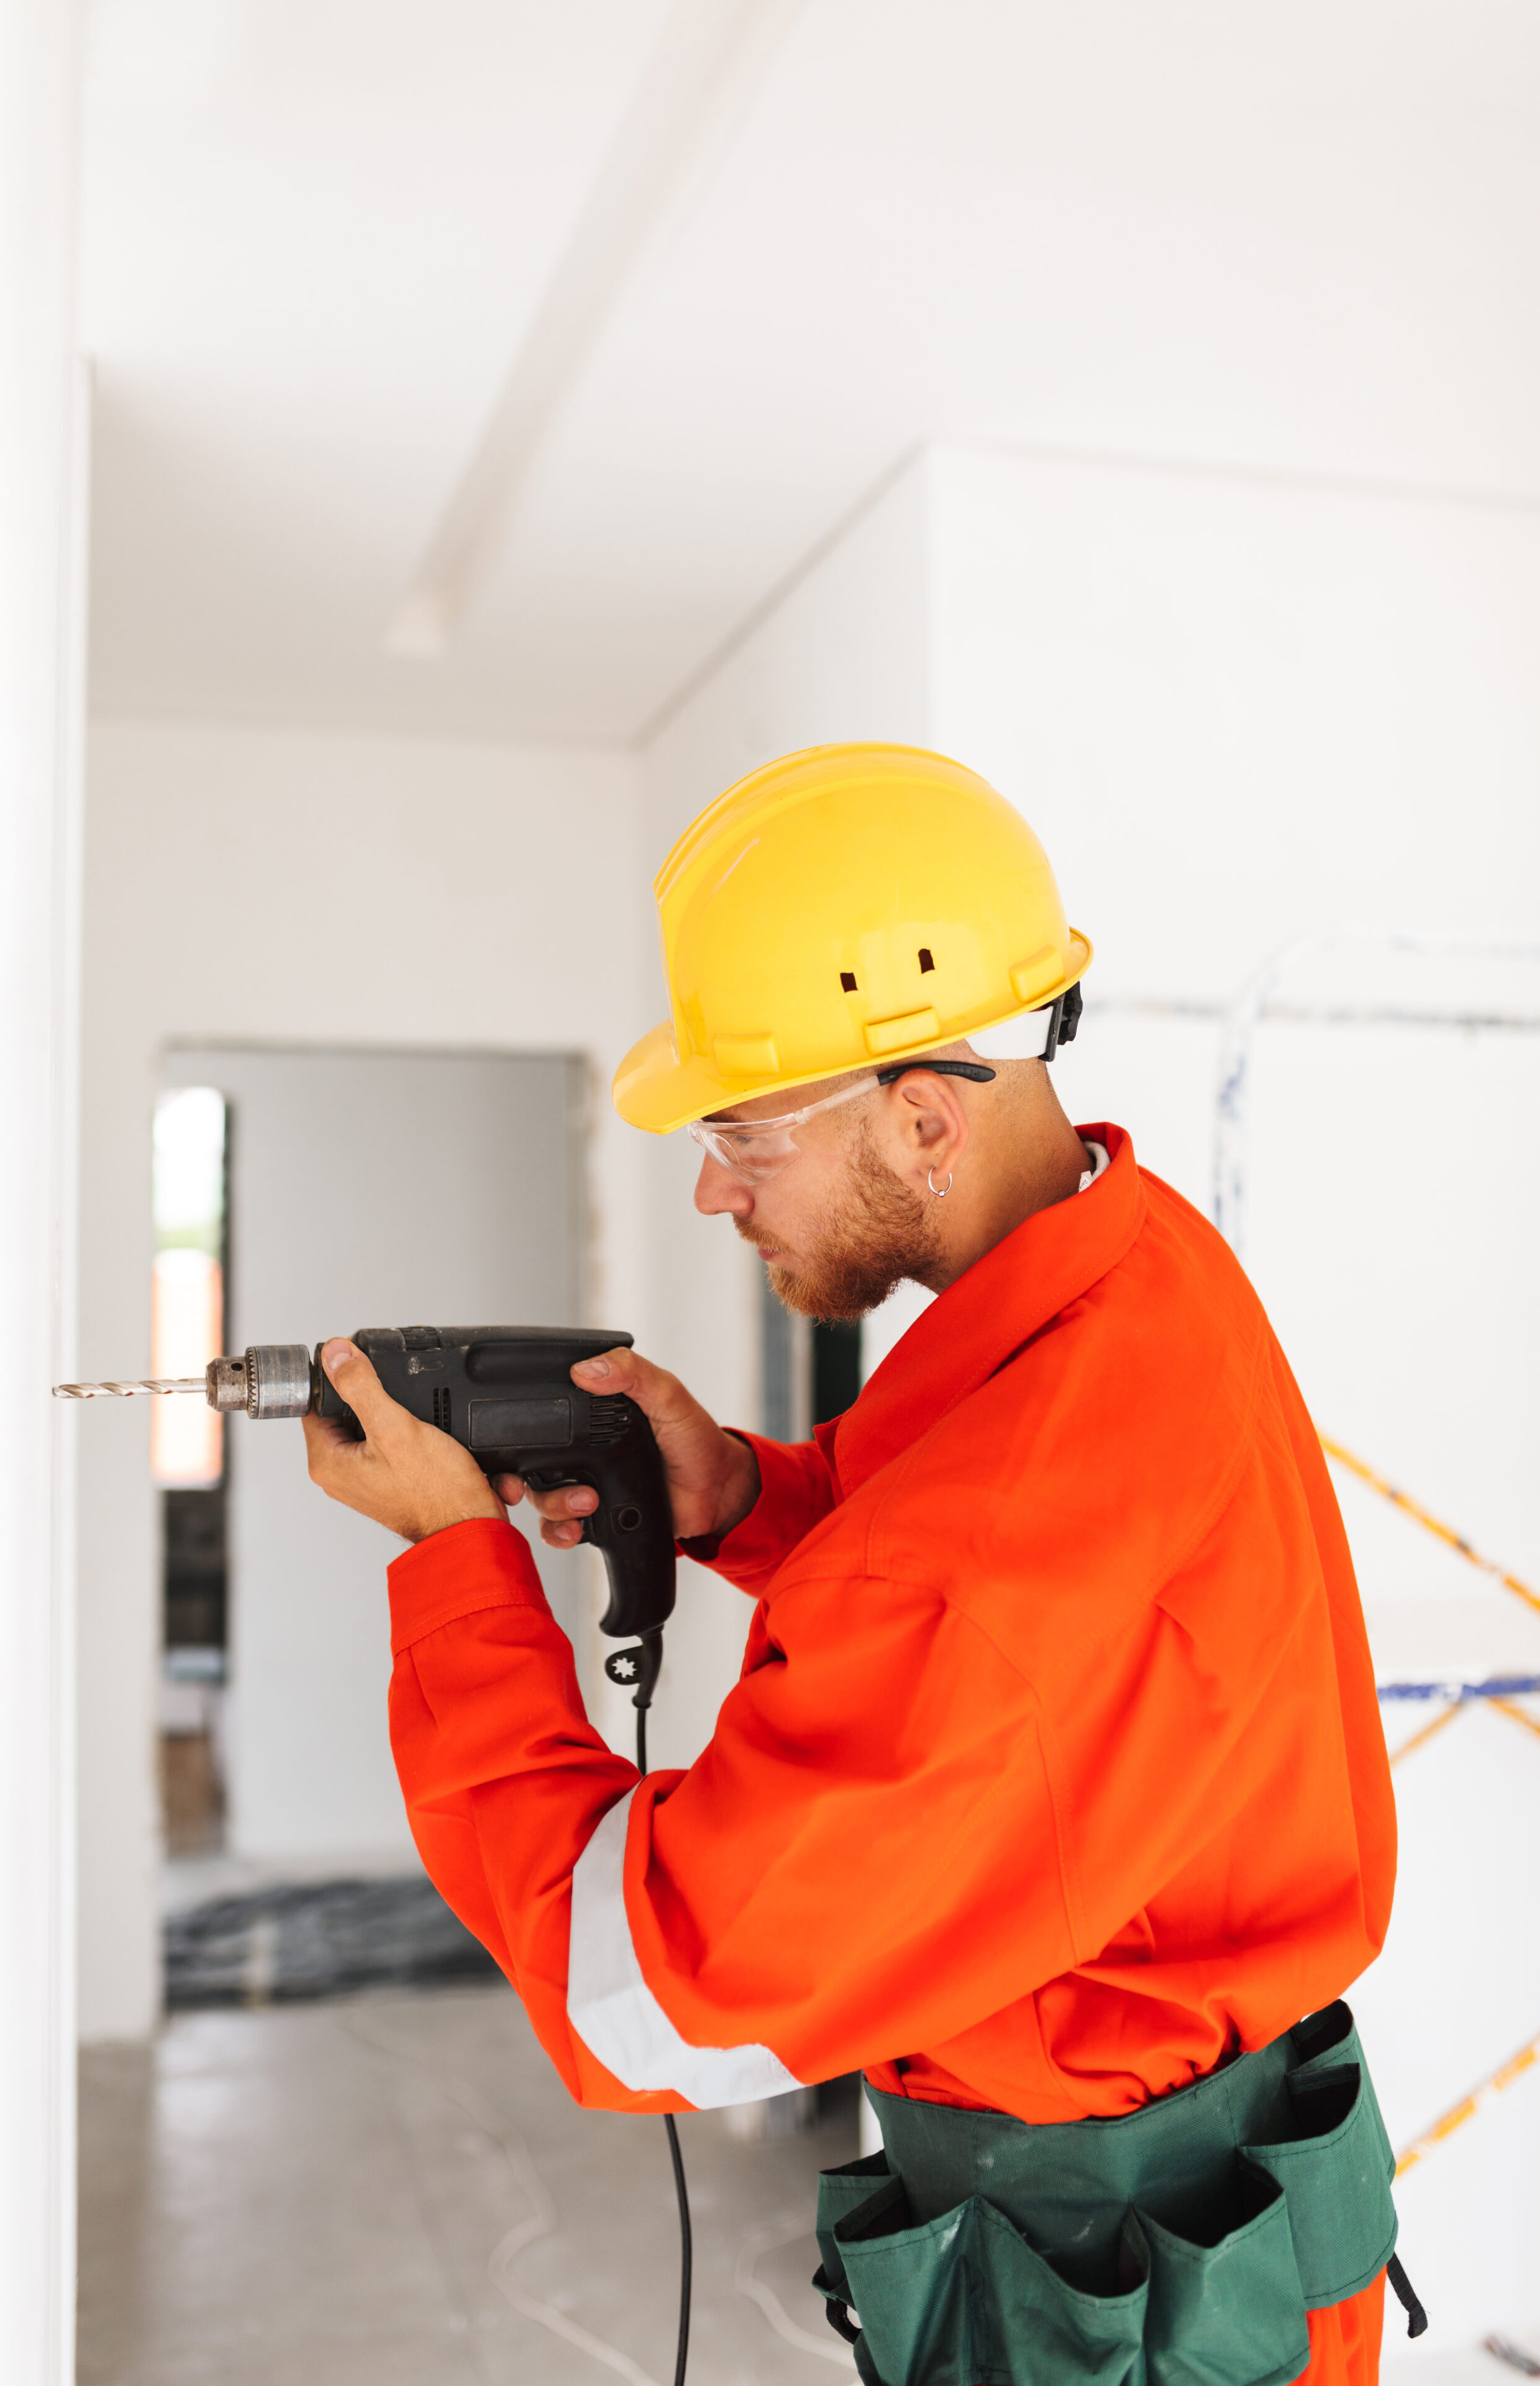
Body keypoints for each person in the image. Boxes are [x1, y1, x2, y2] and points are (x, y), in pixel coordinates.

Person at [304, 744, 1408, 2386]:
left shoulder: (998, 1537)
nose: (709, 1188)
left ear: (924, 1117)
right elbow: (1032, 1646)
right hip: (1218, 2210)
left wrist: (460, 1570)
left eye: (745, 1135)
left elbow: (651, 2004)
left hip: (1127, 2313)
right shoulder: (1126, 1273)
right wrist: (747, 1493)